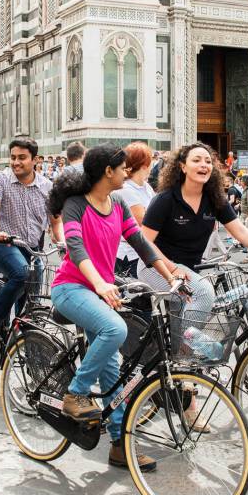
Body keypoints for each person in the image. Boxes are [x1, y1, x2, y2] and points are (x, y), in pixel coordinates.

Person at [50, 145, 183, 469]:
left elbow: (141, 243)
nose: (128, 172)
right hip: (71, 288)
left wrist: (170, 275)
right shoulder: (75, 206)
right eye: (122, 168)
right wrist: (99, 283)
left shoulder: (119, 203)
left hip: (101, 290)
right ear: (108, 172)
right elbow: (76, 248)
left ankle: (119, 445)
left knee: (113, 371)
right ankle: (75, 394)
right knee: (115, 329)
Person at [141, 143, 248, 283]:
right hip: (155, 266)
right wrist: (173, 269)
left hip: (189, 269)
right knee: (204, 294)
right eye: (196, 160)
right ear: (183, 167)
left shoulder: (215, 199)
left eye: (208, 161)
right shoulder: (165, 199)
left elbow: (240, 231)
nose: (204, 165)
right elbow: (144, 242)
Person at [0, 137, 62, 342]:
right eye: (13, 157)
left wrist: (63, 242)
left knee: (30, 304)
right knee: (22, 274)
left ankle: (25, 342)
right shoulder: (0, 179)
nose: (16, 162)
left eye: (22, 158)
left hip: (32, 249)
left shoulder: (47, 186)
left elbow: (56, 221)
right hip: (3, 244)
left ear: (35, 160)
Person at [114, 142, 155, 279]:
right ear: (144, 165)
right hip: (129, 255)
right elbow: (144, 221)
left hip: (144, 251)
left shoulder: (146, 187)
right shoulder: (126, 189)